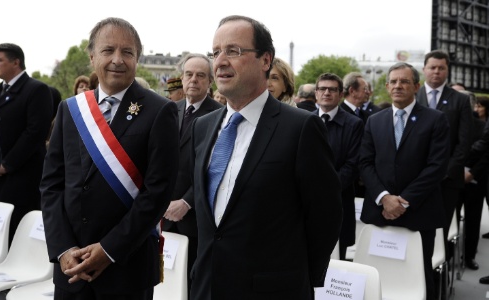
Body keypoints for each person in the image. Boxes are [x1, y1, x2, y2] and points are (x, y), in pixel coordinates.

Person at [190, 15, 341, 299]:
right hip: (208, 286)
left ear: (265, 60)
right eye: (215, 52)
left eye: (233, 51)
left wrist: (298, 278)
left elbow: (326, 216)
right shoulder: (203, 127)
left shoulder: (300, 128)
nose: (220, 61)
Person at [40, 17, 179, 300]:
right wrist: (63, 249)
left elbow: (158, 192)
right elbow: (51, 185)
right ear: (92, 58)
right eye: (108, 50)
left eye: (127, 52)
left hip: (127, 265)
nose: (118, 59)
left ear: (137, 58)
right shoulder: (70, 109)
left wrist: (109, 250)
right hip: (72, 267)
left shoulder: (160, 111)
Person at [360, 62, 450, 300]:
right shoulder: (374, 121)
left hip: (419, 215)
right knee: (379, 278)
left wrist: (404, 202)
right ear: (387, 86)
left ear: (416, 86)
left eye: (405, 81)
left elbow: (436, 167)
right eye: (394, 81)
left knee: (418, 278)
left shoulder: (436, 119)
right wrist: (384, 198)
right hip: (380, 213)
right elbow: (365, 163)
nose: (398, 86)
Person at [162, 53, 222, 293]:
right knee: (165, 282)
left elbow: (216, 168)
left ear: (210, 81)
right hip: (163, 215)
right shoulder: (169, 110)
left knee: (193, 284)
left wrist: (187, 202)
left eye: (200, 75)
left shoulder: (221, 115)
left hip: (197, 219)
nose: (193, 80)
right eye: (189, 74)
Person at [0, 43, 53, 245]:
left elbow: (35, 132)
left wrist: (7, 164)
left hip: (21, 176)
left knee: (15, 232)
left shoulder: (36, 90)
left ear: (16, 62)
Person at [416, 49, 472, 249]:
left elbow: (463, 143)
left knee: (442, 235)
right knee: (414, 237)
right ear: (424, 69)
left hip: (446, 181)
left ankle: (439, 277)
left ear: (447, 70)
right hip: (413, 181)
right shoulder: (412, 96)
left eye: (441, 68)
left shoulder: (461, 100)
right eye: (432, 67)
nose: (436, 72)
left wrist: (443, 172)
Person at [315, 73, 364, 261]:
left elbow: (353, 165)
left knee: (339, 261)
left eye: (332, 89)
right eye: (322, 89)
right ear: (316, 93)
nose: (327, 93)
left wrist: (325, 189)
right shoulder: (304, 121)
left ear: (341, 94)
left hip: (339, 202)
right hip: (308, 203)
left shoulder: (354, 124)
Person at [459, 91, 486, 271]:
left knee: (473, 220)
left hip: (475, 180)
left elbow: (486, 154)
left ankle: (469, 256)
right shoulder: (448, 123)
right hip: (452, 179)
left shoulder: (482, 126)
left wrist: (472, 173)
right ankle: (447, 253)